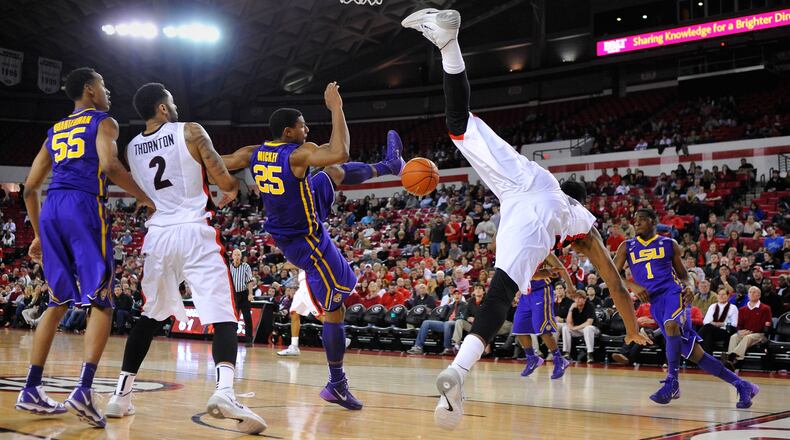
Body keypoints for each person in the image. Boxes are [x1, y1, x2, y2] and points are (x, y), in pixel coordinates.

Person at [402, 9, 649, 430]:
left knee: (458, 124)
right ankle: (459, 373)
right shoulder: (583, 226)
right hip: (534, 221)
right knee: (499, 295)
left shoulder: (550, 180)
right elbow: (615, 283)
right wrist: (630, 328)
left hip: (522, 183)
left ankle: (448, 44)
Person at [219, 83, 404, 411]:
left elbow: (219, 161)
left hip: (295, 218)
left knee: (329, 173)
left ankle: (391, 166)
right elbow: (341, 150)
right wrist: (336, 108)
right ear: (289, 132)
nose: (307, 129)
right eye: (303, 125)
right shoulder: (296, 153)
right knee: (337, 305)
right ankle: (336, 384)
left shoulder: (253, 152)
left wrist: (227, 185)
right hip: (306, 240)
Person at [103, 82, 265, 434]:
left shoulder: (132, 148)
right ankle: (224, 392)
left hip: (158, 235)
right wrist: (232, 188)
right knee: (224, 314)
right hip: (194, 229)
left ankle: (120, 396)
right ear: (163, 108)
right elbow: (221, 177)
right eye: (171, 102)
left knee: (149, 316)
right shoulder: (191, 130)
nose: (174, 107)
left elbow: (149, 189)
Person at [16, 68, 155, 427]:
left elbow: (30, 187)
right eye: (104, 86)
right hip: (83, 206)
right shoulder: (104, 121)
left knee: (57, 302)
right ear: (90, 90)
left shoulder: (55, 129)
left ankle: (31, 388)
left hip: (51, 209)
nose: (108, 92)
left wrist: (36, 234)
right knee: (102, 300)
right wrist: (146, 197)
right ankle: (83, 390)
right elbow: (109, 165)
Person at [613, 208, 759, 409]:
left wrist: (690, 286)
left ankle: (672, 381)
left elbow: (684, 275)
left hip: (673, 293)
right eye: (635, 220)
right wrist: (633, 285)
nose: (636, 223)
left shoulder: (669, 244)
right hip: (655, 303)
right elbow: (612, 274)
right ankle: (743, 385)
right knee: (696, 355)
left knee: (672, 325)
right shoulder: (626, 246)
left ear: (654, 221)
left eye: (642, 220)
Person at [514, 254, 575, 378]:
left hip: (542, 291)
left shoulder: (545, 252)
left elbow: (561, 268)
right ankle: (532, 358)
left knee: (542, 329)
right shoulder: (520, 251)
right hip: (526, 293)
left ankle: (559, 360)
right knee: (519, 327)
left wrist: (570, 286)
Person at [723, 286, 772, 370]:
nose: (752, 294)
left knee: (748, 337)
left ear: (759, 295)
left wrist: (751, 331)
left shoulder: (765, 308)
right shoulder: (742, 309)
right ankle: (731, 362)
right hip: (745, 332)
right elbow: (739, 324)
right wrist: (739, 331)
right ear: (748, 295)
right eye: (750, 292)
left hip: (759, 334)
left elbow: (766, 324)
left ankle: (732, 357)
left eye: (754, 292)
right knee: (734, 337)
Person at [699, 287, 738, 354]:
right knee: (709, 335)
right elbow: (705, 321)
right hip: (711, 330)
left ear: (728, 296)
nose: (721, 296)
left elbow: (735, 324)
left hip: (725, 331)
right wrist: (714, 324)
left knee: (708, 327)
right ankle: (708, 358)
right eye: (719, 294)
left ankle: (696, 340)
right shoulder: (712, 306)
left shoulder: (733, 307)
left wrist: (722, 324)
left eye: (723, 294)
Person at [229, 249, 256, 346]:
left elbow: (249, 281)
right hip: (233, 295)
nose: (236, 256)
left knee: (247, 317)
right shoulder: (229, 267)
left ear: (241, 256)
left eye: (238, 255)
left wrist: (250, 293)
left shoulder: (246, 266)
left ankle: (249, 340)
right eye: (235, 254)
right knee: (233, 318)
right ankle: (231, 339)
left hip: (244, 294)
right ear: (232, 256)